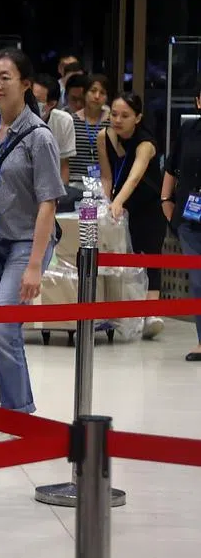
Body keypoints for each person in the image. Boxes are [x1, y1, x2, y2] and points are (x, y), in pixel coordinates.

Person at [0, 51, 64, 416]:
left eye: (4, 78)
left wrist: (32, 265)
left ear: (26, 85)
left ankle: (18, 412)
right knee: (3, 329)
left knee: (2, 327)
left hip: (26, 242)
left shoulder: (39, 136)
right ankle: (17, 408)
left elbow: (48, 202)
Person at [98, 93, 167, 340]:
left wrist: (118, 200)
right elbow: (107, 176)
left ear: (137, 118)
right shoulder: (104, 136)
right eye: (114, 114)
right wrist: (106, 203)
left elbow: (134, 177)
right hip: (120, 207)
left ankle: (151, 313)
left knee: (150, 255)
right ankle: (124, 311)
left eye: (125, 115)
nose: (117, 120)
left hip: (149, 206)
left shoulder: (145, 143)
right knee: (122, 259)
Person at [161, 79, 201, 361]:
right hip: (190, 216)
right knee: (198, 280)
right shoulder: (189, 129)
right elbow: (172, 167)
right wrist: (166, 200)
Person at [32, 74, 76, 187]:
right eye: (28, 97)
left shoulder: (64, 121)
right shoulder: (15, 118)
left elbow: (64, 164)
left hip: (50, 184)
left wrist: (61, 198)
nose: (29, 103)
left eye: (35, 100)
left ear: (51, 104)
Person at [69, 73, 111, 187]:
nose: (97, 96)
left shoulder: (111, 122)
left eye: (102, 93)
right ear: (85, 93)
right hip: (75, 181)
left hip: (103, 182)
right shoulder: (71, 120)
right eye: (93, 91)